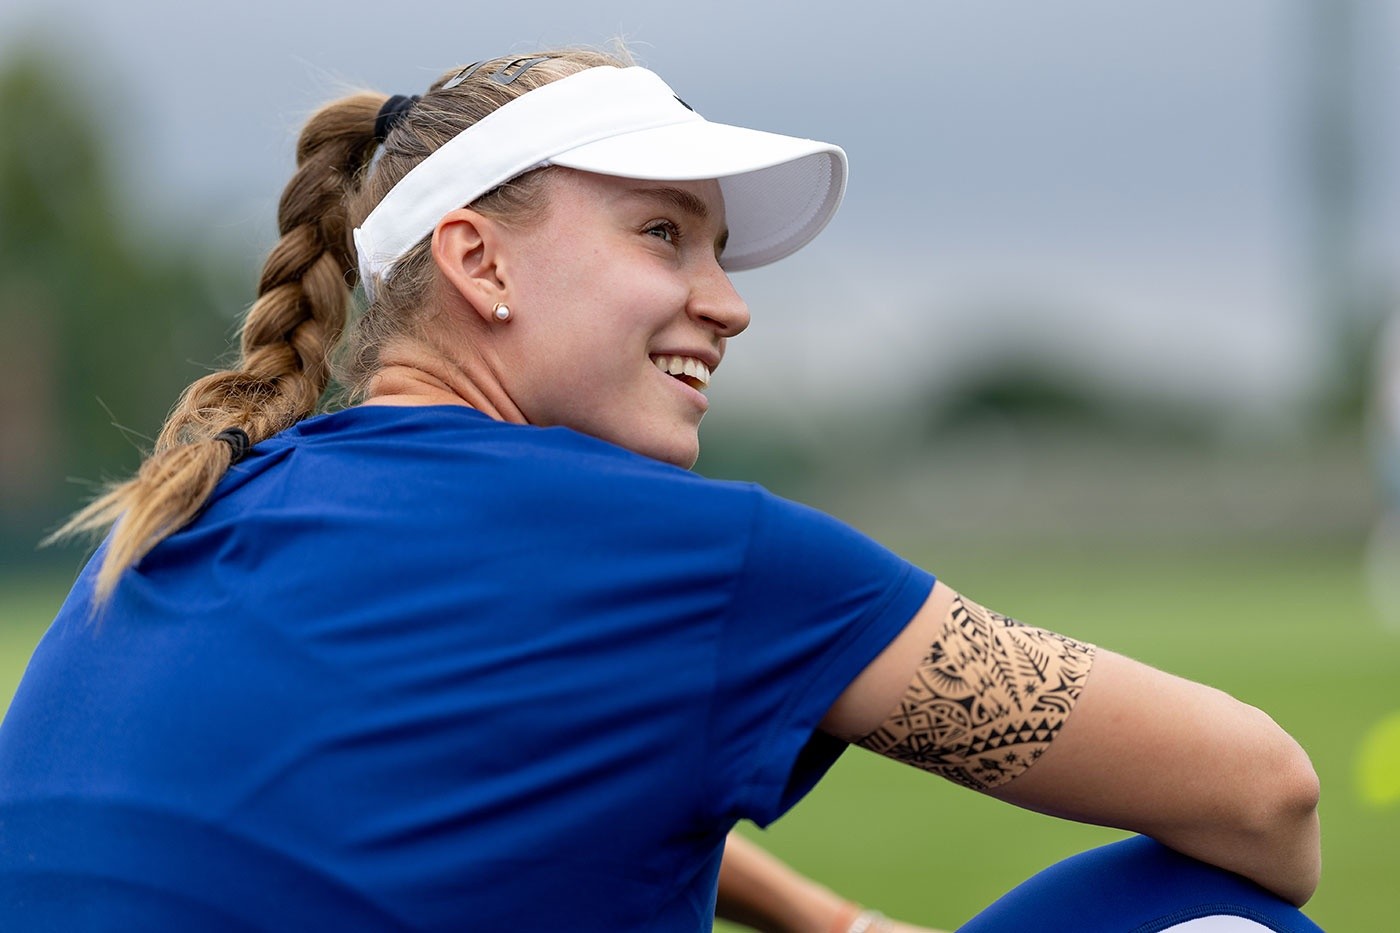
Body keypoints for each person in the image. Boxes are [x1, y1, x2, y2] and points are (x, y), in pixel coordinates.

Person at [0, 48, 1322, 932]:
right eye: (663, 234)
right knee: (1219, 916)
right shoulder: (690, 556)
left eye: (719, 250)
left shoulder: (193, 506)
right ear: (477, 261)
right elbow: (1267, 797)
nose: (729, 302)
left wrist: (818, 914)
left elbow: (457, 782)